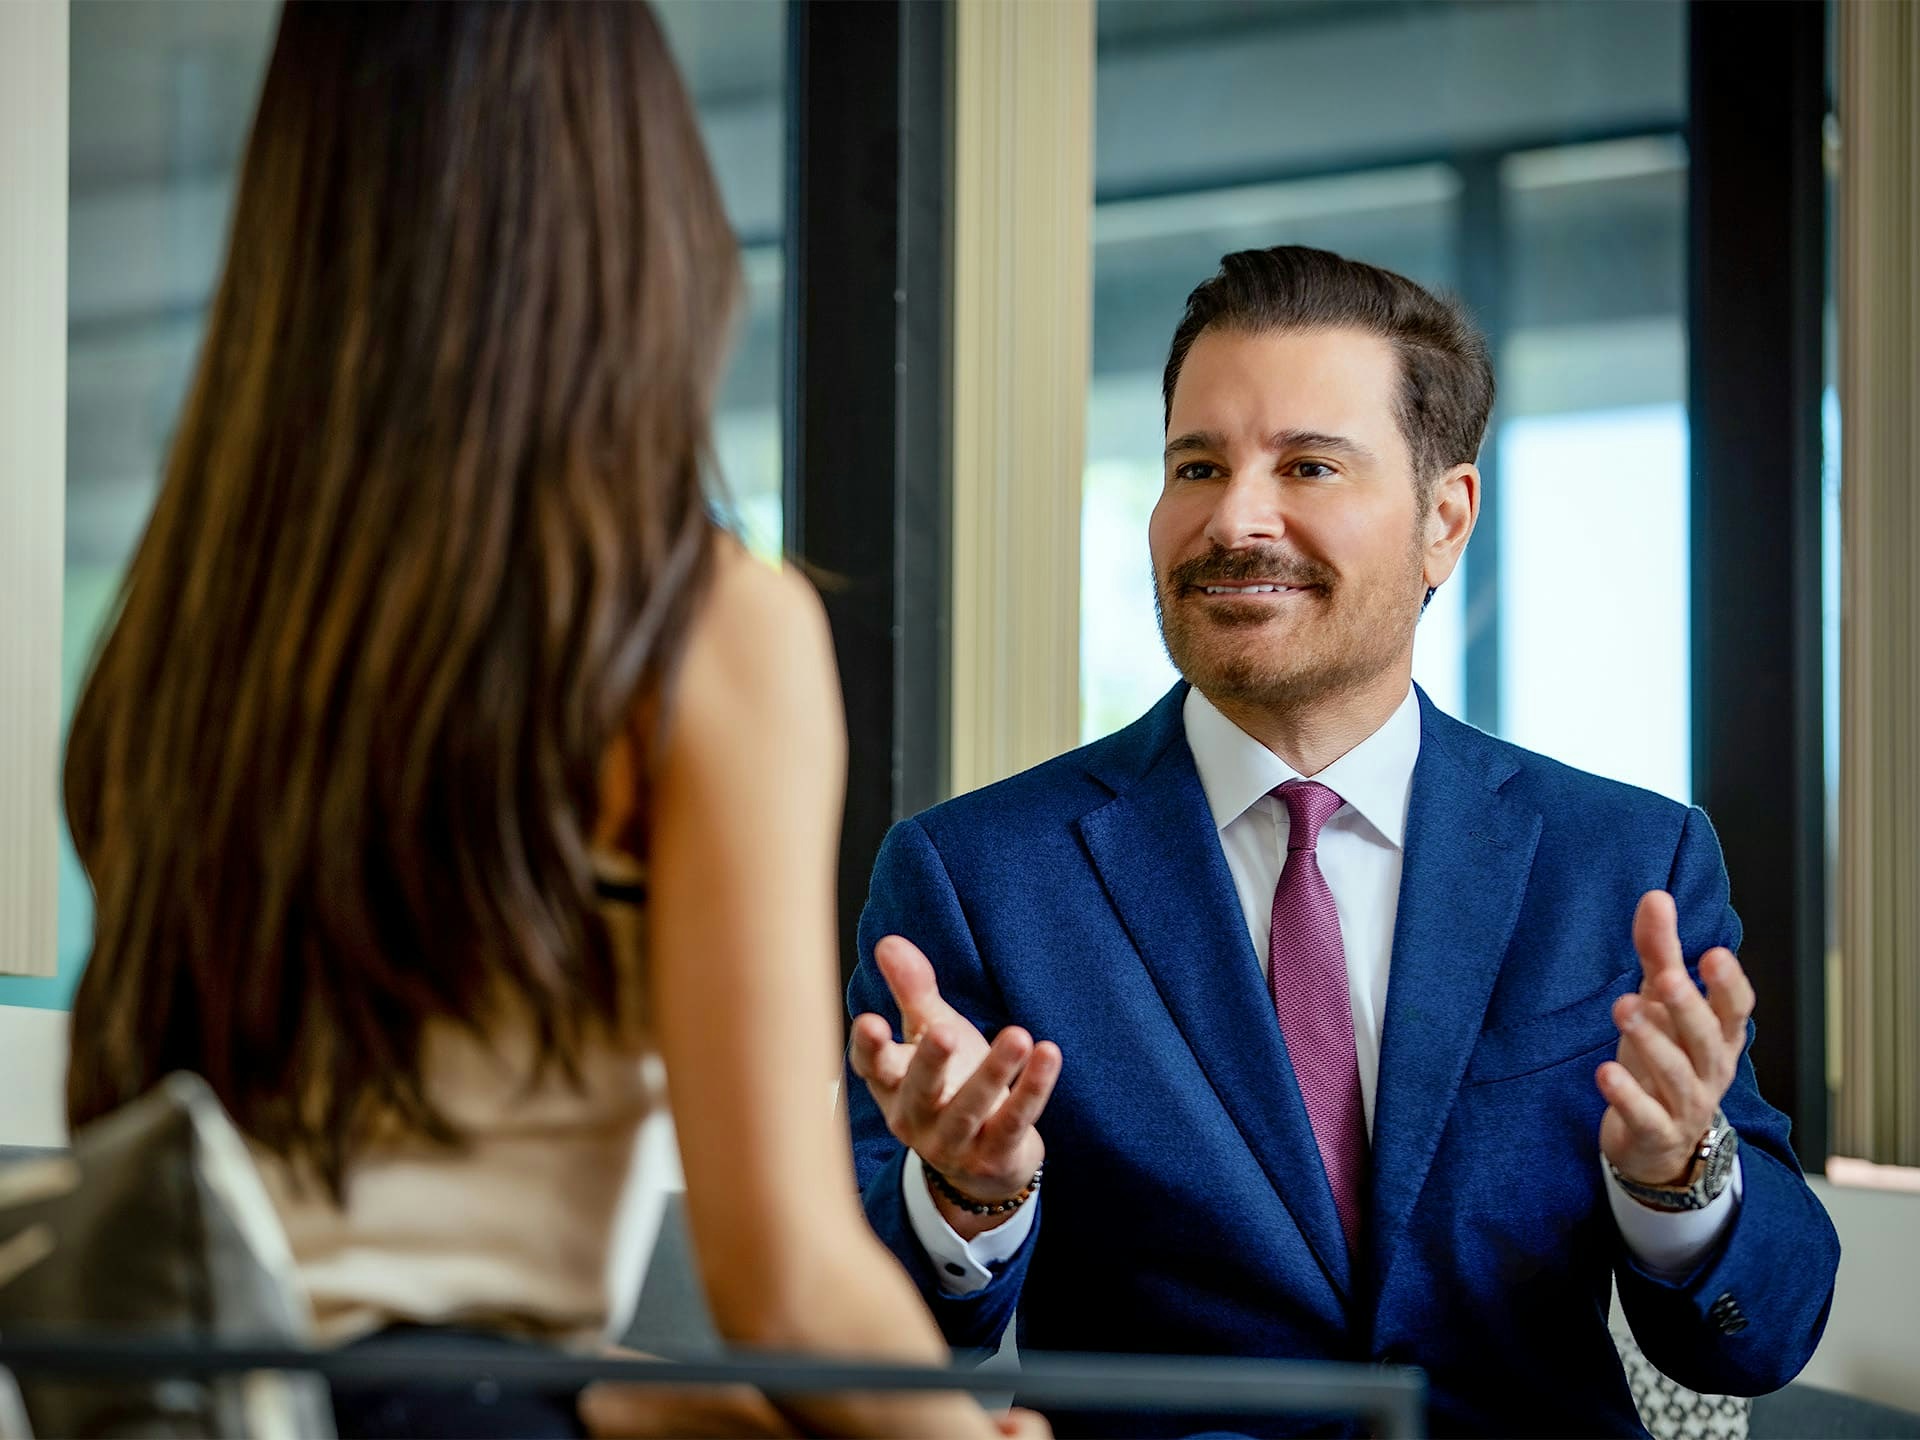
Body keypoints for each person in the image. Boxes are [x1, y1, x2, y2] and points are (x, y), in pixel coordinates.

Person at [59, 5, 1038, 1438]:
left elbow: (371, 1321)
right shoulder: (695, 627)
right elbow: (787, 1289)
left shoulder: (183, 627)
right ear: (633, 201)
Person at [846, 245, 1840, 1437]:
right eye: (1196, 466)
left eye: (1308, 465)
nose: (1234, 518)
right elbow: (856, 1328)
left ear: (1444, 520)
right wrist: (962, 1197)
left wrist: (1679, 1176)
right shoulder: (975, 874)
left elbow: (1760, 1337)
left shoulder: (1628, 865)